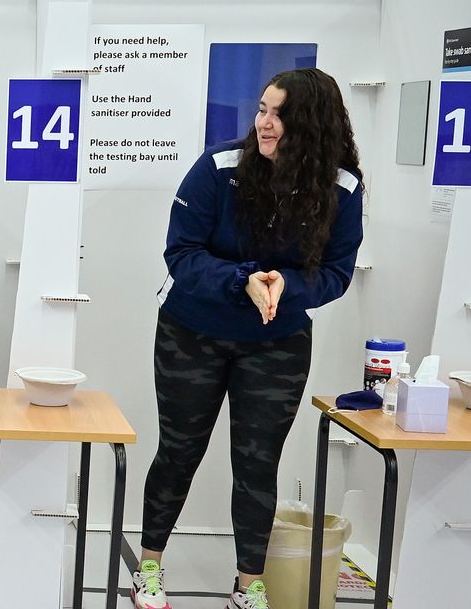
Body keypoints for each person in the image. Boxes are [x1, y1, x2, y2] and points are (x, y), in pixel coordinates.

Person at [132, 68, 364, 609]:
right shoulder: (218, 169)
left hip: (277, 343)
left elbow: (336, 273)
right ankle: (149, 567)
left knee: (258, 462)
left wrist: (289, 284)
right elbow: (181, 254)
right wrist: (241, 281)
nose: (264, 123)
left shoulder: (342, 188)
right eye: (261, 109)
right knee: (179, 451)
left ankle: (248, 583)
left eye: (279, 114)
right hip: (192, 332)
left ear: (311, 124)